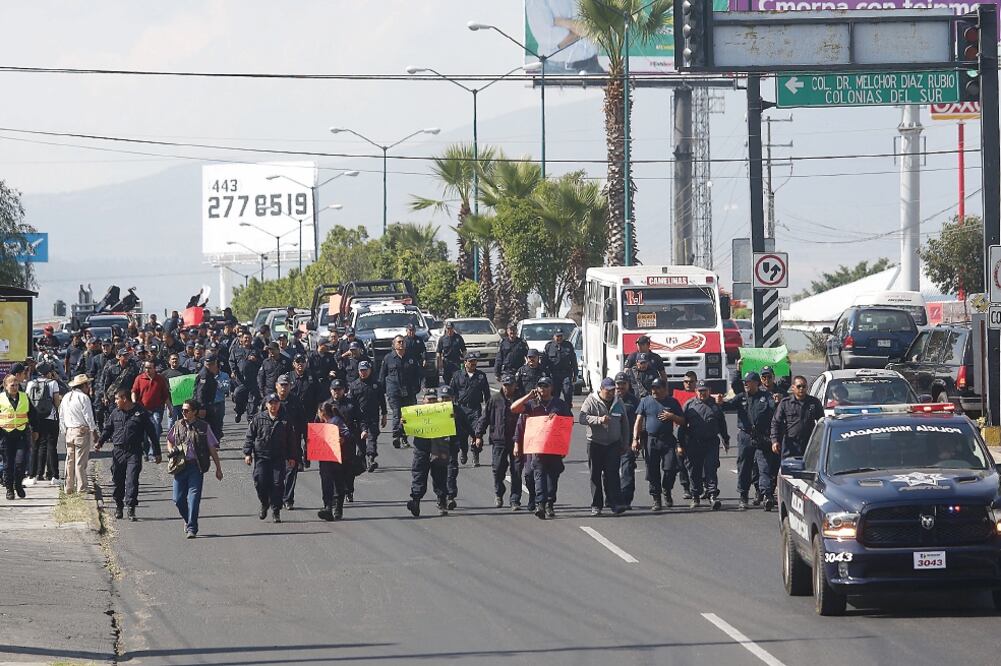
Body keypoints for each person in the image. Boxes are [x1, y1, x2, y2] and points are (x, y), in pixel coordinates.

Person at [512, 375, 573, 520]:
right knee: (538, 476)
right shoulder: (532, 404)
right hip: (538, 449)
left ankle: (549, 504)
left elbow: (569, 422)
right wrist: (528, 396)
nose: (542, 389)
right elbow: (514, 408)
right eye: (540, 386)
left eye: (545, 386)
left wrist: (556, 419)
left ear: (551, 388)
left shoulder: (559, 404)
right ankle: (540, 504)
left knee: (552, 478)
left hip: (554, 449)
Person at [97, 389, 160, 521]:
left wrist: (157, 452)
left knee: (132, 480)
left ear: (124, 399)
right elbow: (108, 429)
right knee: (118, 480)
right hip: (118, 451)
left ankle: (131, 508)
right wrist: (100, 442)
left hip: (134, 451)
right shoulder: (115, 413)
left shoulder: (140, 413)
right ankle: (119, 506)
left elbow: (152, 433)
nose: (115, 402)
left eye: (117, 399)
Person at [719, 371, 777, 511]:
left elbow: (774, 408)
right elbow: (727, 406)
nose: (746, 383)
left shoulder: (765, 397)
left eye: (749, 381)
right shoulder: (741, 397)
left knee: (764, 466)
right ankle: (743, 496)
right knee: (744, 466)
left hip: (762, 437)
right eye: (745, 381)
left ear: (757, 383)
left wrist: (777, 400)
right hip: (745, 436)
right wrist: (721, 402)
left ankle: (767, 495)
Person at [165, 399, 223, 538]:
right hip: (180, 467)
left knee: (194, 498)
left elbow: (212, 448)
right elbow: (169, 440)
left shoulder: (203, 427)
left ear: (195, 412)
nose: (183, 412)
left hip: (196, 467)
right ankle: (187, 519)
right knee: (178, 499)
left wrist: (218, 468)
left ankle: (192, 528)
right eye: (183, 410)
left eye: (187, 410)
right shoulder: (178, 424)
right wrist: (171, 450)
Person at [633, 378, 686, 511]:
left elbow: (683, 421)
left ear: (664, 389)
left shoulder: (672, 402)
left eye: (657, 388)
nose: (654, 391)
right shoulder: (645, 401)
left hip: (667, 439)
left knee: (671, 468)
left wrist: (672, 416)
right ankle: (656, 498)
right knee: (652, 470)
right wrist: (636, 438)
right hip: (651, 440)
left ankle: (666, 489)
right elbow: (638, 421)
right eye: (653, 388)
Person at [243, 393, 296, 523]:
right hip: (261, 456)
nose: (273, 405)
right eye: (271, 403)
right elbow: (250, 436)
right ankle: (264, 502)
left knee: (278, 484)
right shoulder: (258, 418)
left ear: (279, 404)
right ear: (266, 405)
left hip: (279, 457)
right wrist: (247, 453)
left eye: (276, 403)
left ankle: (276, 510)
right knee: (260, 482)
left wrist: (292, 457)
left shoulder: (285, 419)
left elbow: (291, 440)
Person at [579, 378, 629, 516]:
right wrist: (598, 420)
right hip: (595, 443)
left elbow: (624, 423)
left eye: (613, 390)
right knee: (595, 474)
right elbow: (582, 418)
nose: (611, 393)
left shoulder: (618, 401)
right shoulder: (591, 400)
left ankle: (615, 503)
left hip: (613, 443)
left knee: (612, 473)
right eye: (608, 390)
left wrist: (625, 443)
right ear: (601, 389)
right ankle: (596, 505)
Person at [474, 373, 525, 509]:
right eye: (505, 385)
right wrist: (478, 435)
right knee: (498, 470)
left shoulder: (521, 400)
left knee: (517, 471)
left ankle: (515, 500)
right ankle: (499, 493)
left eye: (510, 385)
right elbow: (485, 418)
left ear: (515, 386)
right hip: (499, 440)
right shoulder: (495, 400)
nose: (508, 388)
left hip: (517, 441)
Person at [680, 381, 729, 511]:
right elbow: (682, 425)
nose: (702, 393)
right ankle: (695, 496)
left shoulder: (715, 405)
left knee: (711, 468)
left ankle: (712, 495)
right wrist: (680, 444)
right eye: (700, 391)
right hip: (694, 442)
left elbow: (722, 423)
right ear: (696, 391)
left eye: (705, 390)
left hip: (711, 442)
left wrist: (725, 438)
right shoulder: (689, 405)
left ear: (709, 390)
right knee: (694, 470)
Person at [405, 388, 452, 518]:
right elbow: (404, 429)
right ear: (423, 401)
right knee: (419, 476)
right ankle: (416, 501)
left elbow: (455, 427)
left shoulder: (443, 412)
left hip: (439, 448)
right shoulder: (417, 413)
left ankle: (442, 502)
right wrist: (403, 423)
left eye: (433, 399)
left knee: (440, 477)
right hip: (422, 449)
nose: (431, 402)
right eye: (429, 399)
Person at [525, 0, 603, 73]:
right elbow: (547, 38)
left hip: (592, 66)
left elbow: (597, 26)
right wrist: (581, 29)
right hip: (555, 70)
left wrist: (560, 21)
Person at [59, 374, 99, 495]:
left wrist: (64, 430)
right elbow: (88, 416)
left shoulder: (66, 397)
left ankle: (68, 487)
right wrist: (94, 431)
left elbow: (61, 415)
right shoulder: (83, 397)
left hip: (69, 430)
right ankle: (82, 487)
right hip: (81, 430)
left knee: (70, 460)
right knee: (80, 461)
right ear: (84, 385)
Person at [0, 373, 39, 500]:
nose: (15, 387)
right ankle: (9, 489)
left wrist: (35, 429)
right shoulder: (1, 398)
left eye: (17, 385)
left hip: (21, 433)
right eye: (12, 385)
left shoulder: (24, 397)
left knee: (21, 462)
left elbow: (33, 414)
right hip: (5, 435)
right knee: (8, 464)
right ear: (5, 386)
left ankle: (18, 484)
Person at [380, 335, 422, 449]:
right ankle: (396, 436)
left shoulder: (411, 358)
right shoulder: (388, 358)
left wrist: (417, 387)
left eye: (403, 342)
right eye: (399, 342)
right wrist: (381, 391)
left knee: (407, 415)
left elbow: (418, 374)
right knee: (396, 413)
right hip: (393, 390)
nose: (401, 344)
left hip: (408, 390)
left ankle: (404, 437)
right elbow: (382, 376)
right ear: (394, 345)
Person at [315, 401, 354, 522]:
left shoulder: (336, 421)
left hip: (337, 458)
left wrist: (342, 439)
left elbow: (348, 435)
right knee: (326, 483)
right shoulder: (320, 423)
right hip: (324, 458)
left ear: (322, 412)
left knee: (338, 483)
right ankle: (327, 507)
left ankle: (338, 508)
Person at [449, 353, 490, 467]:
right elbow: (450, 392)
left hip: (475, 409)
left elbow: (487, 394)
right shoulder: (457, 375)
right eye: (470, 361)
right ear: (465, 362)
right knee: (462, 435)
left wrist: (489, 408)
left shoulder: (481, 376)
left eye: (475, 361)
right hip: (461, 409)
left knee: (477, 433)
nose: (473, 363)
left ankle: (476, 456)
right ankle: (464, 451)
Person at [25, 362, 62, 486]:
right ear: (49, 372)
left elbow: (27, 401)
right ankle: (54, 477)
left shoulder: (30, 383)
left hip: (35, 419)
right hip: (50, 418)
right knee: (52, 446)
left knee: (35, 446)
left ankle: (32, 476)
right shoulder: (53, 383)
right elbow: (57, 403)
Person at [771, 375, 825, 459]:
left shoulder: (814, 402)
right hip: (791, 445)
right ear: (793, 387)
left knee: (808, 470)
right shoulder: (785, 403)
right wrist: (775, 441)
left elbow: (822, 422)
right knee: (789, 470)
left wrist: (820, 440)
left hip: (809, 444)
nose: (801, 389)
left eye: (804, 386)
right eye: (799, 386)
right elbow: (775, 422)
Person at [275, 375, 307, 510]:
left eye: (286, 385)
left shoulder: (295, 401)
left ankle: (288, 499)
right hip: (274, 443)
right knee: (276, 474)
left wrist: (307, 441)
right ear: (276, 386)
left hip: (292, 443)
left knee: (291, 471)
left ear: (290, 386)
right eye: (281, 385)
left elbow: (303, 421)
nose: (283, 387)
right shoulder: (270, 400)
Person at [349, 360, 387, 473]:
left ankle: (371, 459)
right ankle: (362, 461)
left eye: (365, 370)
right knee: (360, 443)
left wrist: (384, 414)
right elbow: (350, 403)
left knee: (372, 438)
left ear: (370, 370)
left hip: (373, 417)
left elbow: (382, 401)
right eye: (361, 371)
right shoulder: (354, 385)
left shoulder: (376, 384)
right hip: (359, 419)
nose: (363, 373)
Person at [131, 359, 172, 462]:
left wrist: (170, 408)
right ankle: (145, 451)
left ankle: (152, 452)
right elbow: (134, 392)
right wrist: (134, 403)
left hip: (157, 409)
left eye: (150, 368)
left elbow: (165, 395)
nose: (147, 370)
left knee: (156, 428)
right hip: (143, 409)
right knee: (144, 433)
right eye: (146, 368)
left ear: (154, 368)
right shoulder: (139, 378)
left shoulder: (160, 379)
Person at [614, 372, 640, 510]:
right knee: (610, 471)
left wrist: (637, 439)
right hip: (611, 441)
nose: (620, 387)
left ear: (628, 385)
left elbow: (640, 420)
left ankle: (625, 499)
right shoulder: (609, 399)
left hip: (628, 441)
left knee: (627, 470)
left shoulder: (634, 401)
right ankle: (612, 497)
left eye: (623, 384)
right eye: (618, 384)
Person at [543, 328, 577, 405]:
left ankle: (567, 410)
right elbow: (544, 362)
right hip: (554, 375)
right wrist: (544, 374)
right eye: (557, 336)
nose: (559, 338)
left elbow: (573, 360)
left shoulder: (568, 345)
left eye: (561, 336)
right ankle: (556, 411)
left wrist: (575, 373)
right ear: (554, 336)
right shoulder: (549, 346)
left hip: (566, 374)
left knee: (567, 391)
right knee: (555, 395)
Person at [194, 354, 222, 441]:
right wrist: (202, 407)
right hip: (204, 407)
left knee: (214, 428)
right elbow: (200, 392)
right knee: (208, 429)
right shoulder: (204, 375)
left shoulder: (209, 374)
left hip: (208, 406)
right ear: (213, 364)